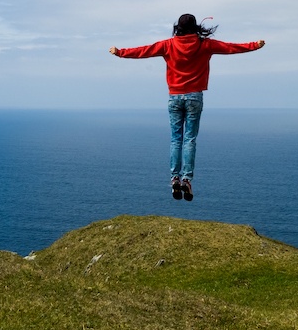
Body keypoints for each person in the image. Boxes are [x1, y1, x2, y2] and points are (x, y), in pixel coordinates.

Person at [110, 14, 264, 201]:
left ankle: (174, 178)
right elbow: (231, 48)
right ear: (195, 27)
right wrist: (254, 45)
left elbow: (144, 51)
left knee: (176, 139)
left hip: (174, 96)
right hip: (194, 97)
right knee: (189, 140)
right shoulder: (205, 44)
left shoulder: (168, 44)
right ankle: (187, 180)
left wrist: (120, 52)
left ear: (178, 27)